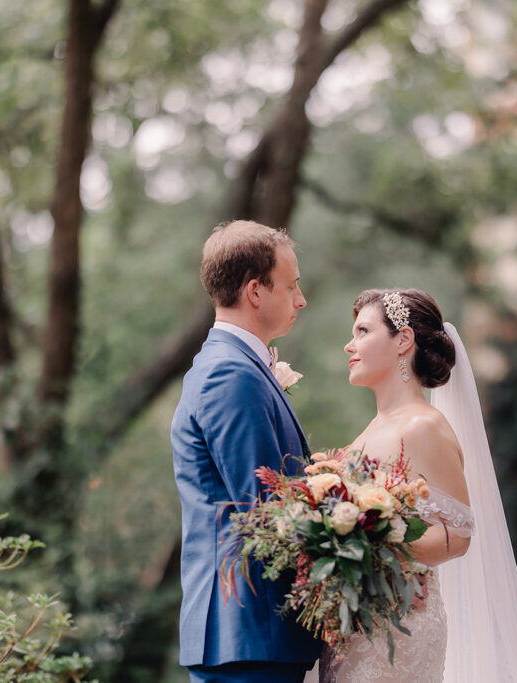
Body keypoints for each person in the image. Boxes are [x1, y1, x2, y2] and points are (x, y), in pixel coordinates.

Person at [318, 288, 517, 683]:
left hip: (400, 630)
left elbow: (458, 535)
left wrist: (373, 544)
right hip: (355, 625)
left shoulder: (423, 426)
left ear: (402, 340)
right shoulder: (370, 429)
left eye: (362, 331)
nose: (348, 345)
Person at [171, 220, 322, 683]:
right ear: (255, 291)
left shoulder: (233, 366)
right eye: (292, 285)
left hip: (252, 638)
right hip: (247, 635)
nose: (301, 299)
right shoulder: (230, 374)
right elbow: (268, 510)